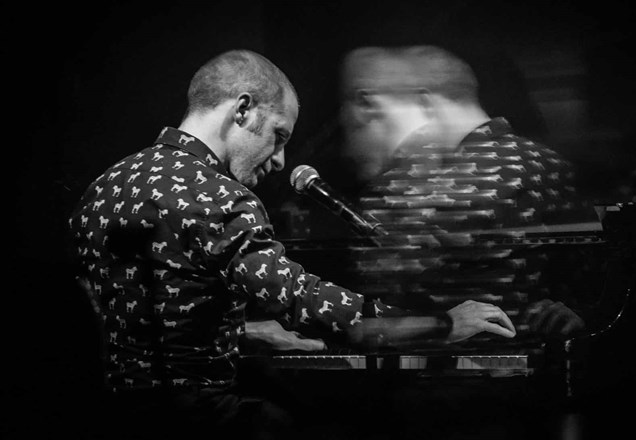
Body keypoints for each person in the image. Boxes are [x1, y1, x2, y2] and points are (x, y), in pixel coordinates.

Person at [67, 49, 516, 440]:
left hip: (114, 417)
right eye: (278, 135)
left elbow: (139, 317)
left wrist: (244, 331)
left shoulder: (104, 187)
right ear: (243, 109)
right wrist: (440, 324)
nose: (281, 160)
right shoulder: (220, 197)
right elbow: (304, 301)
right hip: (202, 420)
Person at [339, 45, 616, 342]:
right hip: (534, 360)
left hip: (429, 363)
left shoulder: (401, 187)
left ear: (425, 101)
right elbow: (591, 286)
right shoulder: (549, 165)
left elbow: (367, 312)